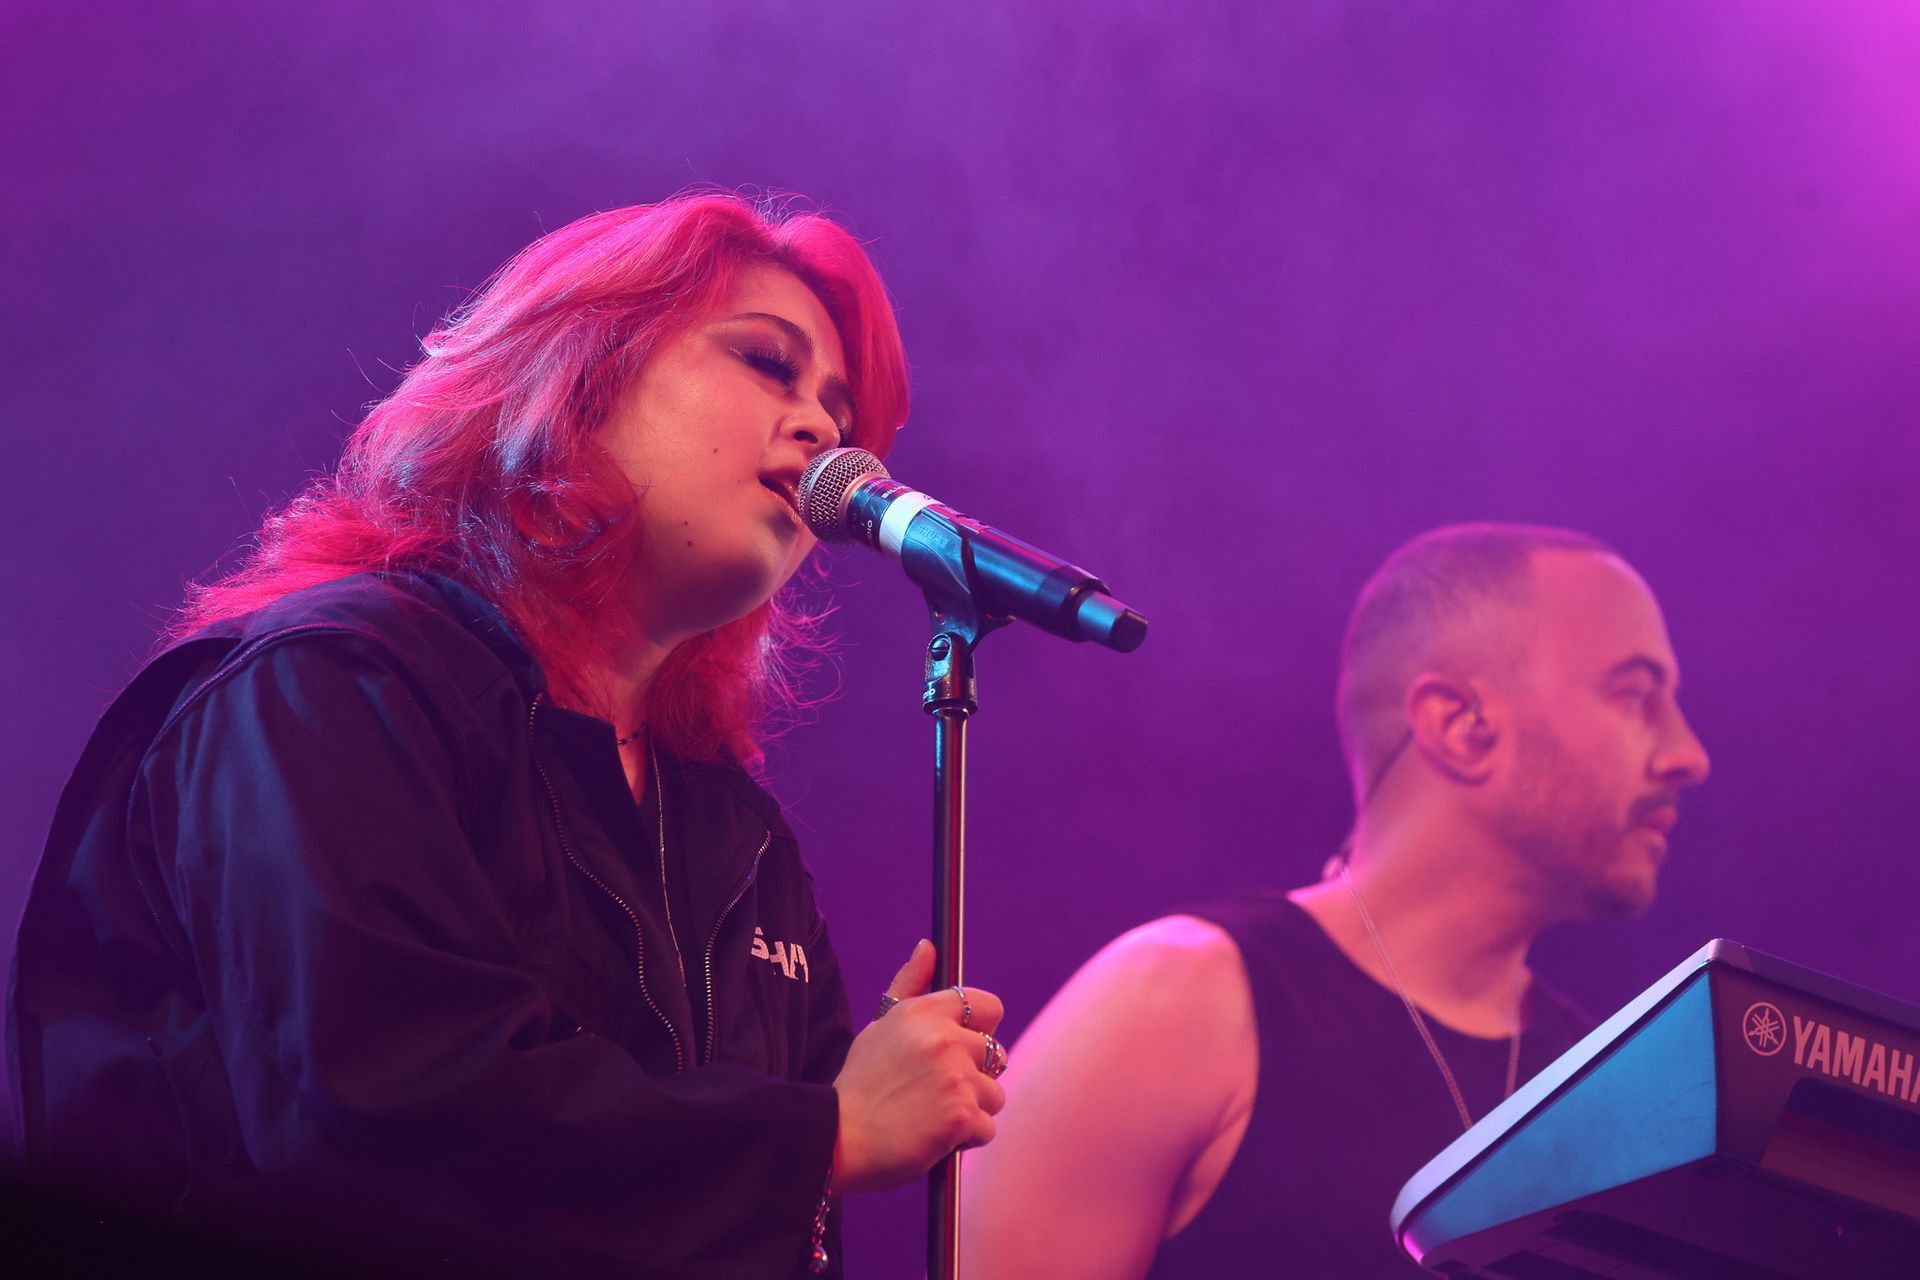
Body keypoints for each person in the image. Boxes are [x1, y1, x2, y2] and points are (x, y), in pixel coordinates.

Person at [6, 192, 1009, 1279]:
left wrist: (839, 1110)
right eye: (767, 362)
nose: (824, 431)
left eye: (840, 410)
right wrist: (825, 1133)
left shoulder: (738, 837)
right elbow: (379, 1115)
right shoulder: (330, 684)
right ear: (578, 373)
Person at [961, 522, 1712, 1278]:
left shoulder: (1615, 1092)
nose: (1689, 754)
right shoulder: (1178, 1000)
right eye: (1635, 695)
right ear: (1462, 725)